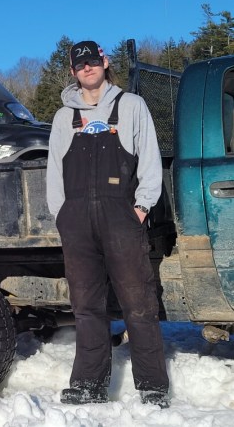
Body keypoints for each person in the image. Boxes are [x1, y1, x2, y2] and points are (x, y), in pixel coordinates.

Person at [46, 41, 170, 407]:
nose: (87, 68)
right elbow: (54, 171)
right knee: (86, 306)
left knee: (139, 303)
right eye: (80, 63)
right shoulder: (62, 117)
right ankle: (89, 383)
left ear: (105, 63)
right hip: (77, 220)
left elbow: (149, 159)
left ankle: (152, 385)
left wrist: (141, 207)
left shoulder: (131, 105)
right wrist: (62, 215)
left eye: (93, 61)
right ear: (72, 70)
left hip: (122, 216)